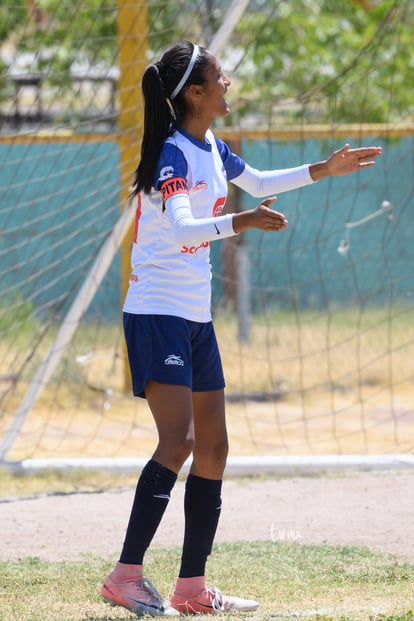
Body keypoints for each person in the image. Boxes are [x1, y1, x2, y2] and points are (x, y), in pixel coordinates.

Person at [101, 40, 382, 617]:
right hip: (156, 312)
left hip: (195, 317)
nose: (229, 83)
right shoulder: (171, 154)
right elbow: (182, 230)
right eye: (220, 77)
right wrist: (242, 222)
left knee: (215, 447)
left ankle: (191, 589)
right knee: (177, 442)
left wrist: (324, 169)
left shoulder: (210, 145)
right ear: (196, 94)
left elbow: (256, 179)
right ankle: (125, 576)